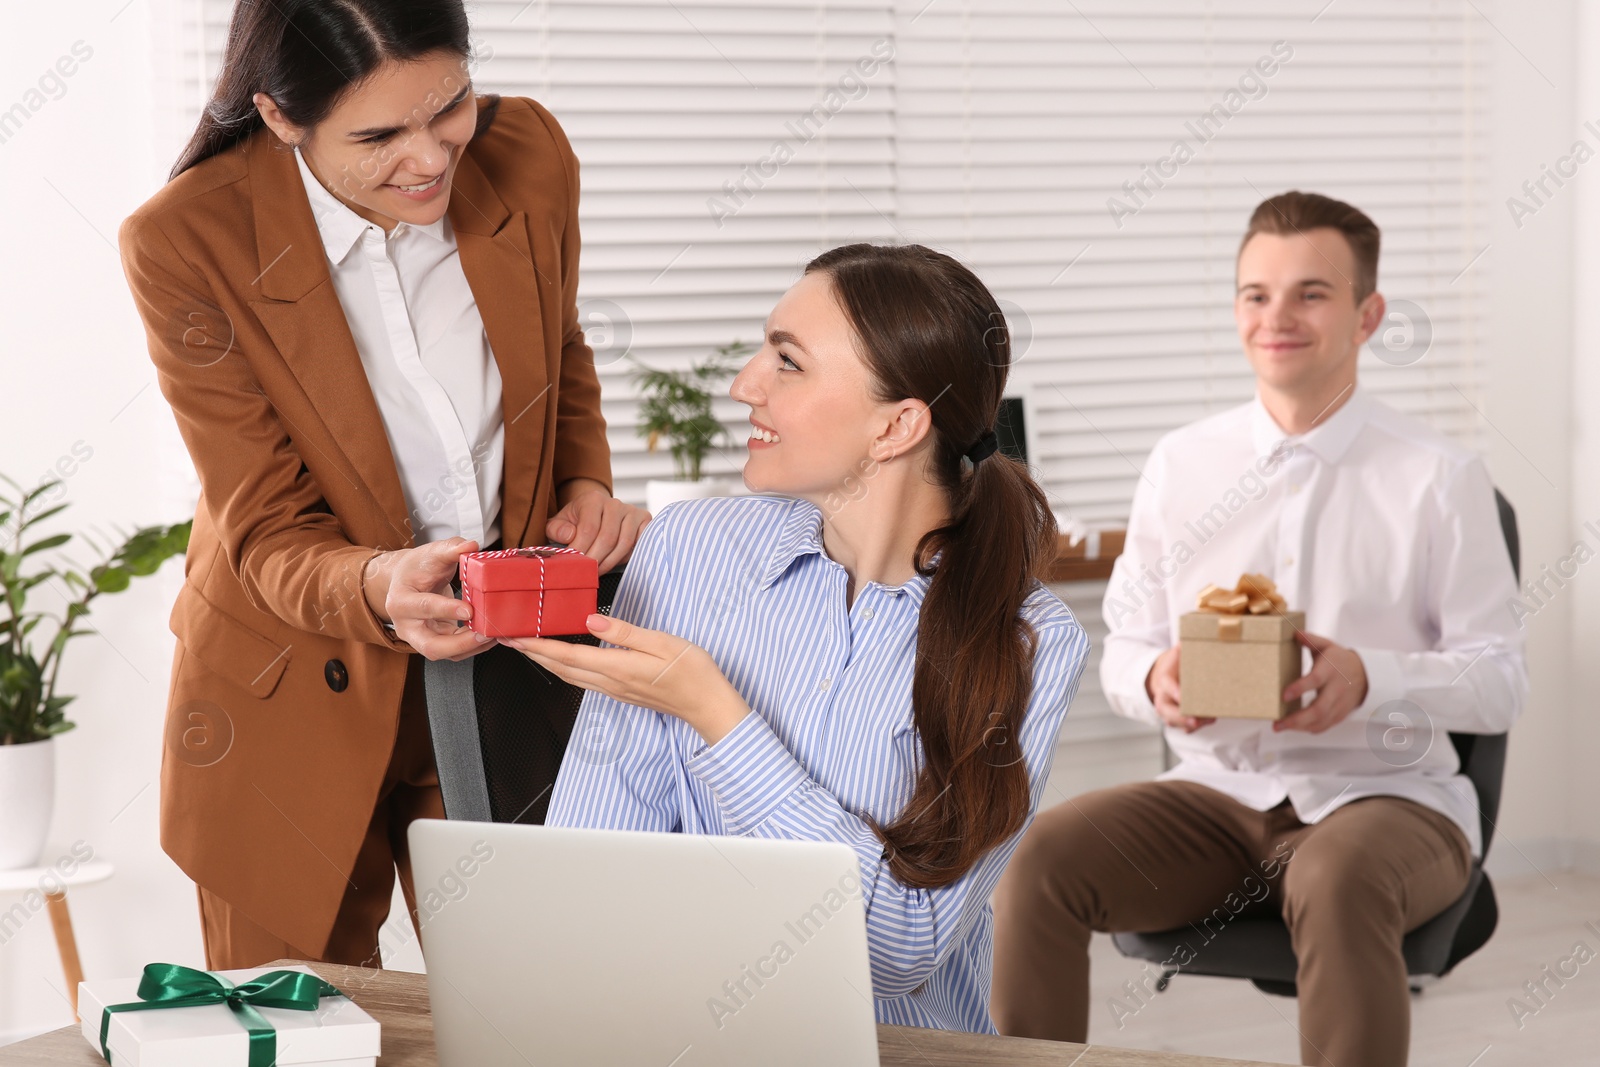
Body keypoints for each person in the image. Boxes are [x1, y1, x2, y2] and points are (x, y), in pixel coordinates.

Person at [118, 0, 649, 970]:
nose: (430, 157)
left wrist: (586, 478)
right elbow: (265, 523)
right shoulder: (188, 239)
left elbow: (558, 347)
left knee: (536, 997)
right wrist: (374, 585)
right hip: (290, 692)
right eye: (378, 135)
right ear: (279, 116)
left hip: (504, 669)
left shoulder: (526, 151)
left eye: (447, 107)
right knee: (298, 1015)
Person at [989, 191, 1527, 1067]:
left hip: (1389, 798)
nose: (1276, 317)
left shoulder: (1440, 478)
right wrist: (1155, 678)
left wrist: (1372, 677)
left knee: (1335, 872)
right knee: (1040, 858)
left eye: (1311, 293)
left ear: (1368, 314)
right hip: (1220, 793)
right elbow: (1125, 645)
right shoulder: (1181, 464)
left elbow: (1500, 681)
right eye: (1254, 294)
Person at [501, 243, 1091, 1033]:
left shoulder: (1029, 641)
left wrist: (718, 717)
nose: (745, 384)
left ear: (898, 424)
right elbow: (584, 878)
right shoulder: (689, 549)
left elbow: (896, 949)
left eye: (787, 361)